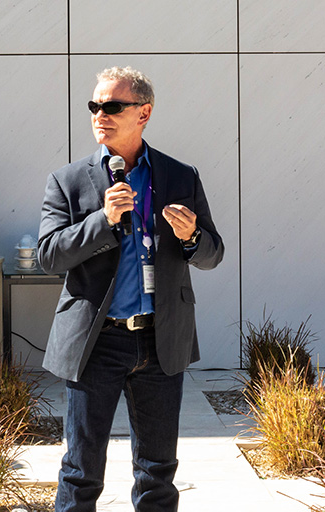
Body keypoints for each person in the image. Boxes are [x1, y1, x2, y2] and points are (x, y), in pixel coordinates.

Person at [37, 67, 224, 512]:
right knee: (81, 471)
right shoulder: (68, 180)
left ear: (144, 113)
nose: (100, 114)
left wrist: (192, 236)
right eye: (94, 106)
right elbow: (49, 255)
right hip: (97, 342)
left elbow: (212, 253)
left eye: (112, 106)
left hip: (161, 342)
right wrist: (101, 221)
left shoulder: (181, 176)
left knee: (158, 472)